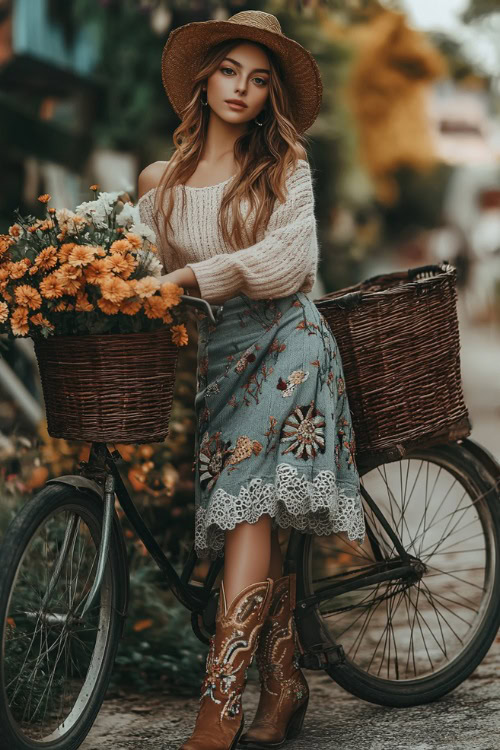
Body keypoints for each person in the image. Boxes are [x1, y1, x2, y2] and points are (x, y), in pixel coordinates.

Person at [137, 10, 366, 749]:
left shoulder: (285, 168)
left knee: (247, 510)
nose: (242, 88)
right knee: (254, 514)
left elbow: (286, 264)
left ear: (272, 97)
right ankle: (285, 682)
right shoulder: (159, 182)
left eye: (259, 79)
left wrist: (193, 276)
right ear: (203, 79)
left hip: (290, 341)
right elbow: (138, 275)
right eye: (230, 70)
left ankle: (219, 706)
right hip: (220, 358)